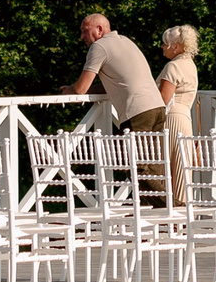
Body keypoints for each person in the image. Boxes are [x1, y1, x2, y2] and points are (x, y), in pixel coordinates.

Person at [65, 13, 166, 132]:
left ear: (99, 29)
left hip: (137, 112)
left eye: (85, 31)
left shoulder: (99, 46)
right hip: (158, 107)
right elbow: (118, 83)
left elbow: (80, 89)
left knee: (133, 151)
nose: (82, 36)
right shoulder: (126, 41)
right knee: (155, 151)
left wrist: (69, 90)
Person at [156, 25, 200, 203]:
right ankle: (184, 212)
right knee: (182, 168)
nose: (162, 47)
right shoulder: (190, 65)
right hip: (185, 119)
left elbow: (162, 100)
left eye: (165, 44)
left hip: (171, 119)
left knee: (170, 168)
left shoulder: (173, 66)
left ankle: (174, 211)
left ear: (175, 46)